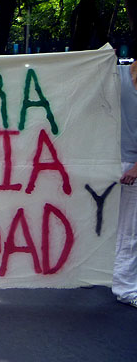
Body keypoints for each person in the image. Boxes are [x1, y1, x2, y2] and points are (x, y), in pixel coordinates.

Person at [115, 61, 137, 308]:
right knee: (95, 223)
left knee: (129, 230)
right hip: (105, 159)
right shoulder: (116, 74)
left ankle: (125, 287)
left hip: (132, 164)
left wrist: (136, 168)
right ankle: (91, 272)